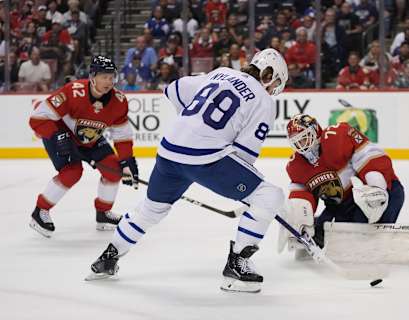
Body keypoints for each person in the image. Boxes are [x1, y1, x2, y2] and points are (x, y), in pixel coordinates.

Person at [87, 48, 289, 294]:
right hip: (205, 158)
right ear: (269, 75)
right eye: (276, 81)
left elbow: (172, 90)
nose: (274, 88)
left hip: (169, 151)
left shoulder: (221, 73)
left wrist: (193, 127)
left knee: (151, 210)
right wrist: (246, 196)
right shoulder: (264, 101)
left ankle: (108, 258)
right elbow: (244, 155)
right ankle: (237, 265)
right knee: (269, 196)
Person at [279, 114, 409, 267]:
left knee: (371, 237)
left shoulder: (337, 136)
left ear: (316, 131)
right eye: (296, 142)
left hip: (384, 192)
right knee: (322, 234)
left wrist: (377, 188)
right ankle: (321, 226)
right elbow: (302, 196)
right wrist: (300, 220)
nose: (301, 145)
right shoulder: (296, 165)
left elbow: (371, 158)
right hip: (341, 206)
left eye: (304, 137)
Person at [28, 56, 139, 238]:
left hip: (90, 137)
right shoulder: (72, 91)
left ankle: (103, 214)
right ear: (92, 77)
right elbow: (38, 119)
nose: (108, 82)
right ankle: (40, 211)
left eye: (112, 77)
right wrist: (59, 136)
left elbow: (123, 135)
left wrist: (127, 161)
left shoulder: (119, 101)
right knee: (73, 172)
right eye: (104, 77)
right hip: (59, 134)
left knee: (114, 170)